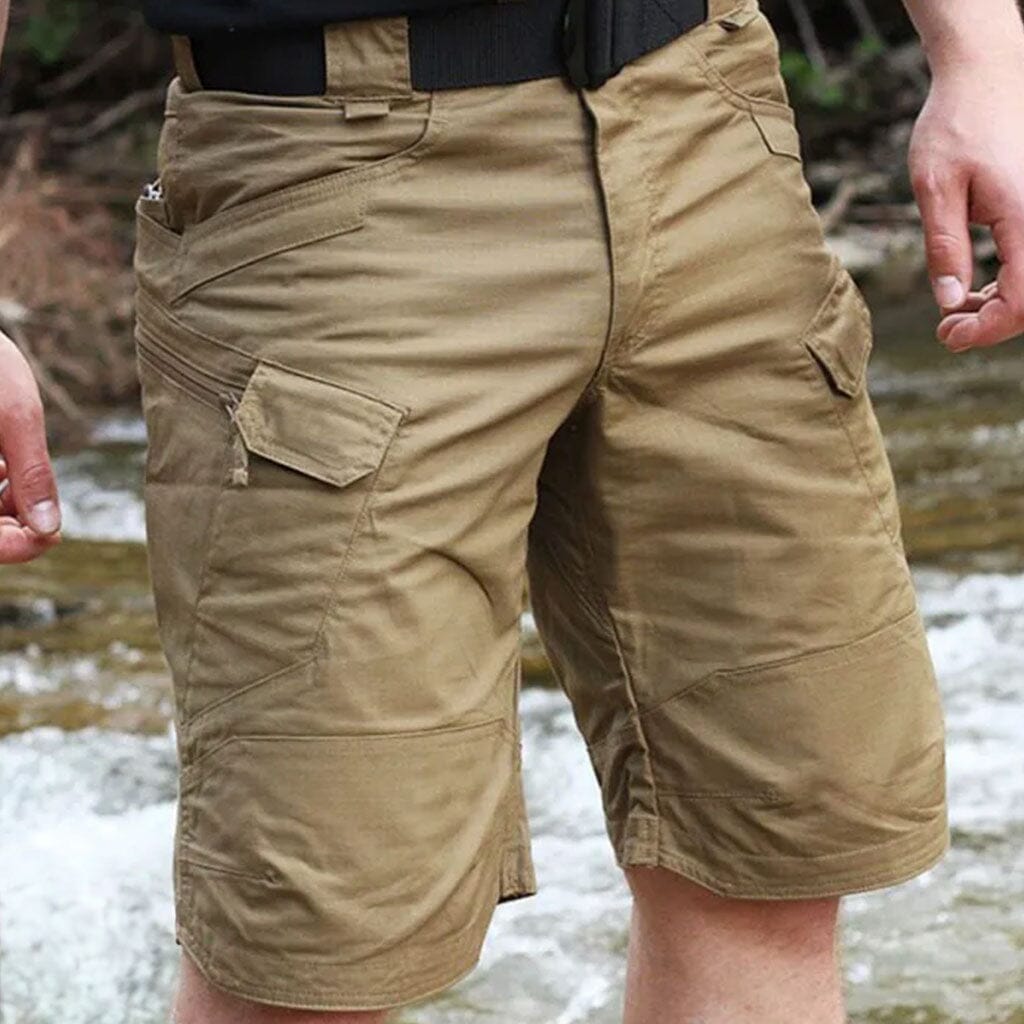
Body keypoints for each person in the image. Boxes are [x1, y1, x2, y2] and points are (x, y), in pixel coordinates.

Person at [2, 0, 1023, 1020]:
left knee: (771, 860)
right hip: (330, 171)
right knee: (315, 949)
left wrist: (979, 49)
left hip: (706, 120)